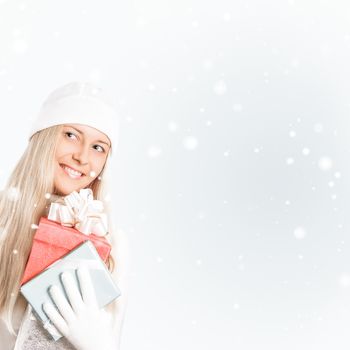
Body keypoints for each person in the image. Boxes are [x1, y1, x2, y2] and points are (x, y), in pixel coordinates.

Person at [0, 81, 130, 349]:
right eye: (71, 135)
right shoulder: (3, 220)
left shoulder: (114, 244)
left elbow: (113, 337)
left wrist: (98, 344)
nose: (82, 157)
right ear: (45, 137)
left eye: (98, 147)